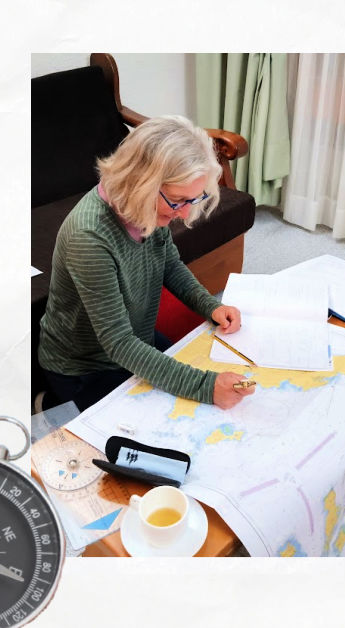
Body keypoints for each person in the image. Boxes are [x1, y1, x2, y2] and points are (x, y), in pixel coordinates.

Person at [38, 115, 254, 412]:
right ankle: (50, 401)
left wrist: (210, 305)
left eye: (194, 199)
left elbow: (170, 266)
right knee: (173, 409)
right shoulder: (88, 236)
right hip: (85, 367)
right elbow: (119, 344)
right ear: (141, 183)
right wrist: (205, 386)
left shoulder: (147, 205)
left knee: (192, 385)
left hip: (136, 336)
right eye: (178, 200)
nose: (183, 213)